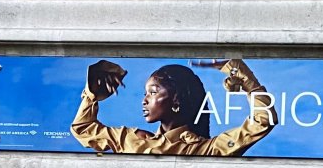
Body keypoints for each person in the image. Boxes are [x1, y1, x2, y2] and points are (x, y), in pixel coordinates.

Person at [71, 58, 277, 157]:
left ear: (176, 100)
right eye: (145, 93)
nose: (144, 100)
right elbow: (83, 129)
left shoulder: (204, 149)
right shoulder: (130, 138)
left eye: (152, 92)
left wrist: (246, 80)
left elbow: (262, 122)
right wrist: (92, 94)